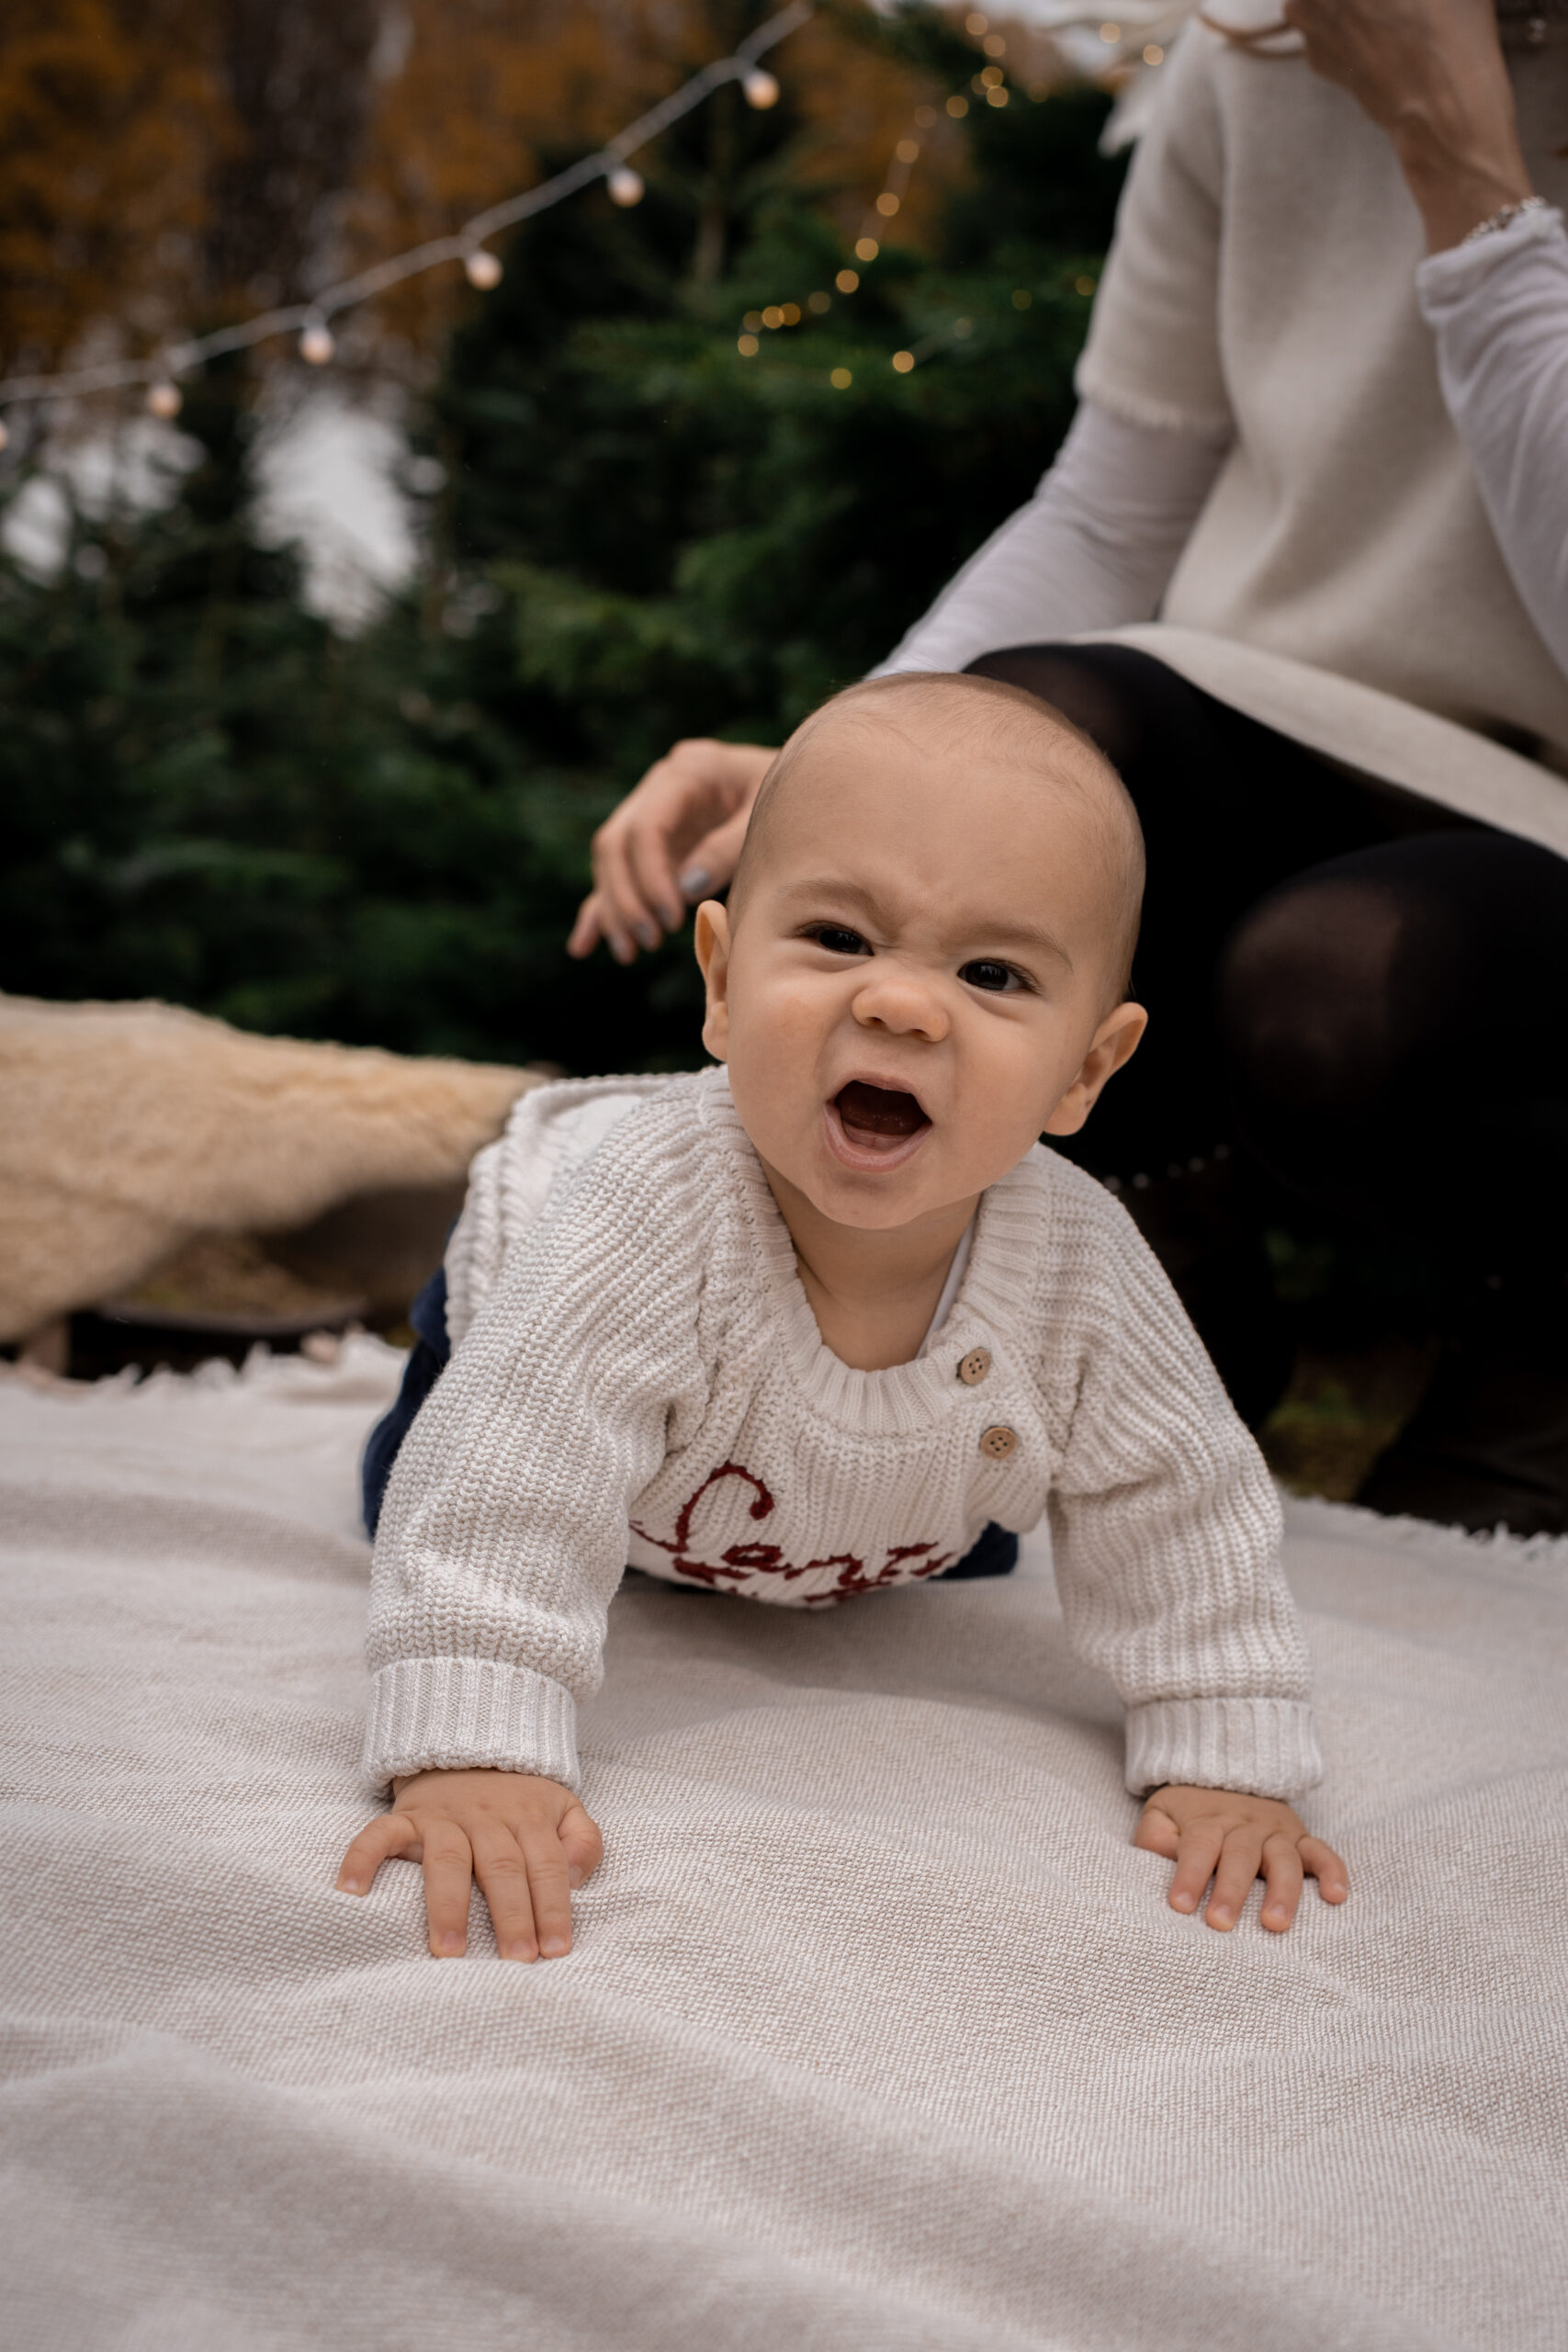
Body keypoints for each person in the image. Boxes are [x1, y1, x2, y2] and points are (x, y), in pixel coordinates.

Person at [566, 0, 1568, 1537]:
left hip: (1538, 801)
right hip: (1259, 700)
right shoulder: (1262, 54)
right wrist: (841, 765)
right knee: (1029, 736)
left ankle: (1539, 1347)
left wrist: (1466, 167)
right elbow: (1114, 506)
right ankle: (1151, 1312)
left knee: (1339, 984)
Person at [338, 673, 1349, 1963]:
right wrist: (474, 1743)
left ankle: (866, 1519)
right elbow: (506, 1471)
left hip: (847, 1481)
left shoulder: (1079, 1265)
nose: (901, 1004)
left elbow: (1183, 1499)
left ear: (1088, 1070)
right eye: (836, 940)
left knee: (950, 1531)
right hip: (515, 1356)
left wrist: (1228, 1744)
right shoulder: (643, 1214)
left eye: (991, 973)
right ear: (719, 982)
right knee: (418, 1500)